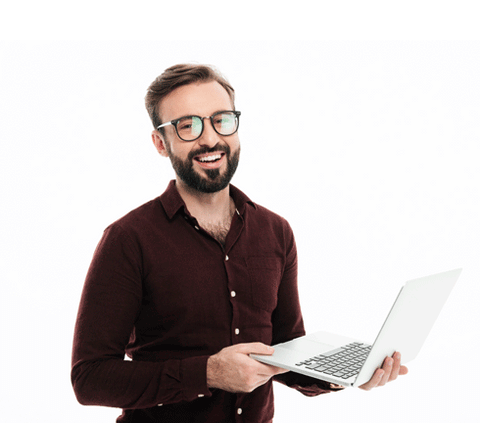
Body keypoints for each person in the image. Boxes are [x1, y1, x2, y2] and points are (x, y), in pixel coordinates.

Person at [71, 64, 408, 422]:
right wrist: (208, 373)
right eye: (188, 126)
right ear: (160, 143)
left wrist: (345, 373)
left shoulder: (276, 231)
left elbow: (286, 349)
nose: (210, 139)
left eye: (221, 119)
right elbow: (89, 378)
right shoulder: (128, 239)